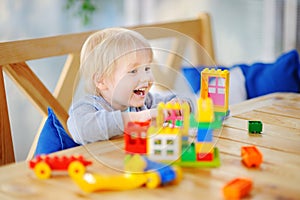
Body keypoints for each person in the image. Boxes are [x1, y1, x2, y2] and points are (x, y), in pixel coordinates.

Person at [67, 28, 192, 145]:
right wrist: (137, 119)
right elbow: (80, 129)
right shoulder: (89, 107)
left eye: (147, 68)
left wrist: (181, 104)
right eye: (133, 71)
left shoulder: (145, 102)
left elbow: (177, 100)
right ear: (101, 81)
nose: (146, 78)